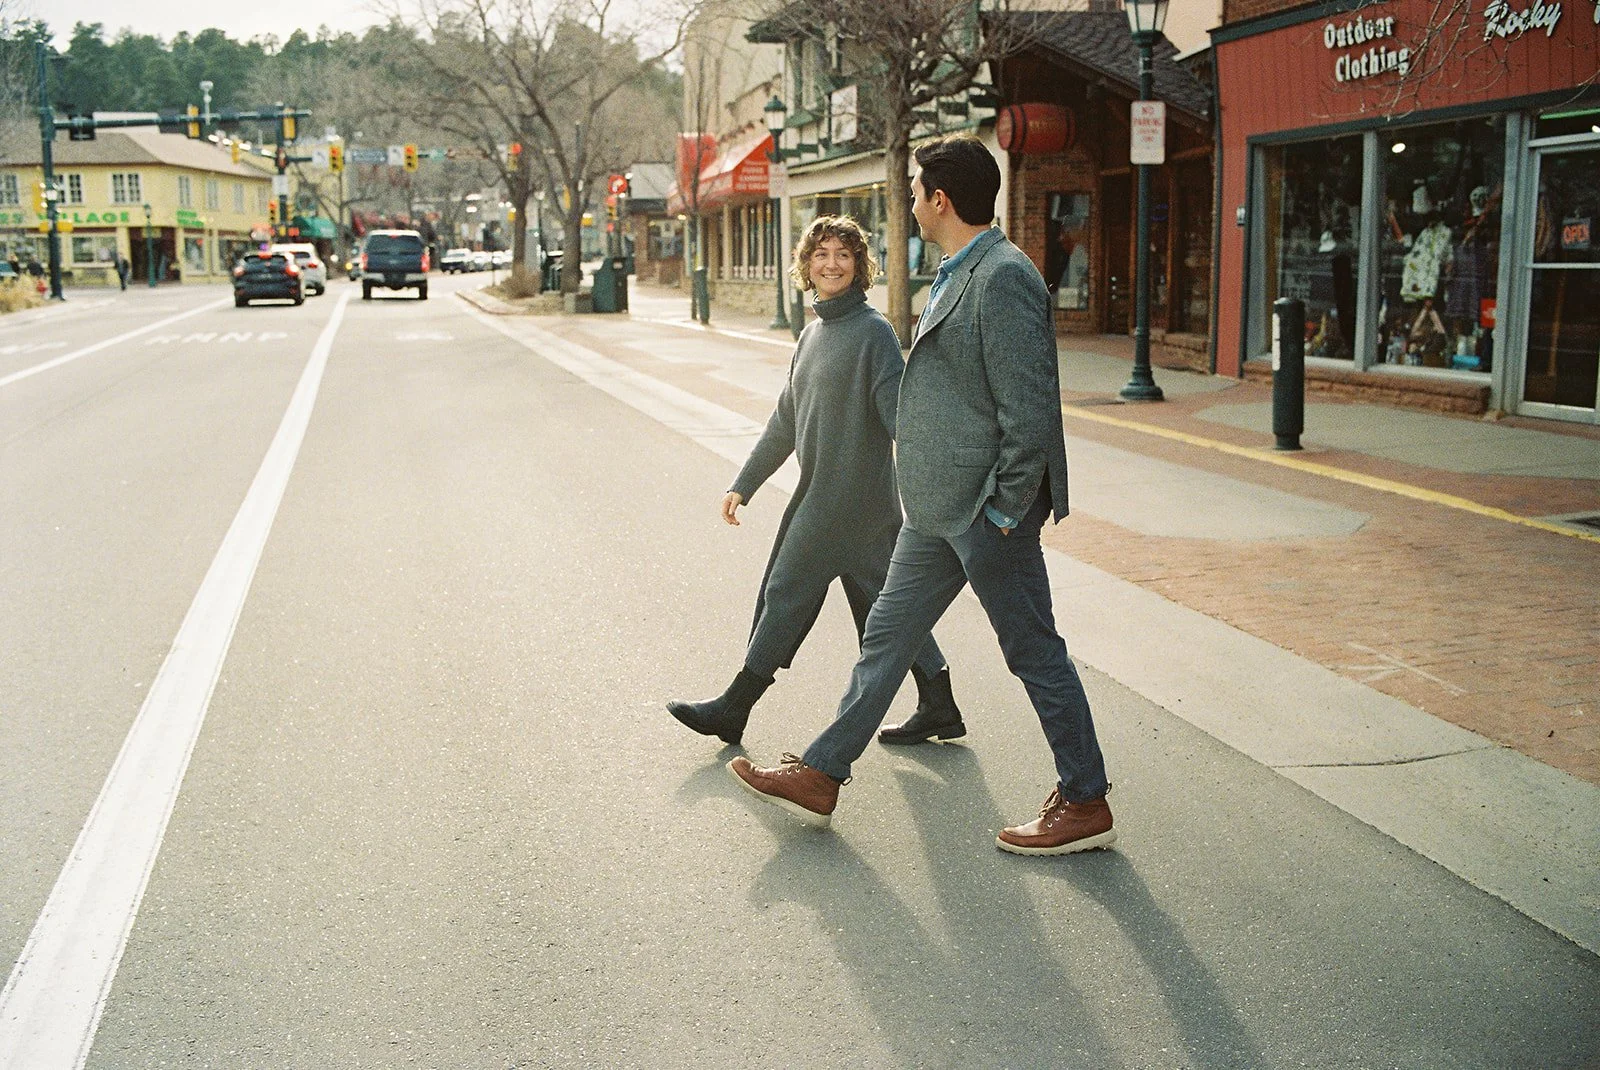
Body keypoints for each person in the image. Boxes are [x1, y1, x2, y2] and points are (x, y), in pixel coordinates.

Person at [730, 135, 1115, 856]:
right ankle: (823, 772)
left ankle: (1086, 799)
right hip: (936, 507)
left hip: (984, 512)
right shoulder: (956, 270)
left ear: (940, 200)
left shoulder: (1004, 277)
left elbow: (1029, 409)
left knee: (1032, 650)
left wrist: (1005, 509)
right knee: (885, 639)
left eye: (914, 193)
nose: (909, 204)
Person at [668, 215, 964, 749]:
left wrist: (943, 469)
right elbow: (786, 419)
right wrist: (744, 483)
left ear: (859, 266)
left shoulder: (872, 332)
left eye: (843, 255)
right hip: (844, 502)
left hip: (845, 503)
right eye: (821, 254)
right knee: (886, 609)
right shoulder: (811, 335)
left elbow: (899, 416)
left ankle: (734, 708)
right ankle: (939, 702)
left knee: (785, 593)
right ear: (806, 265)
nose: (832, 264)